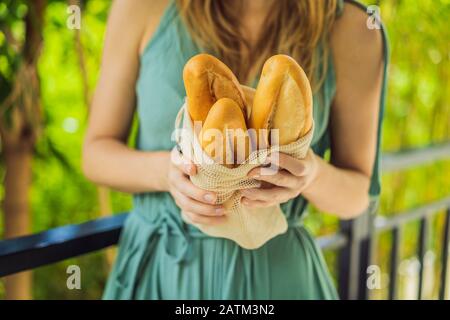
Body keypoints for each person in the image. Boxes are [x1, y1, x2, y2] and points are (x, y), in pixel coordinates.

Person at [82, 0, 388, 299]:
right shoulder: (140, 6)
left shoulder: (354, 27)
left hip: (279, 277)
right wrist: (168, 173)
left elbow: (358, 195)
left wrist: (311, 174)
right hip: (160, 271)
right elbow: (96, 154)